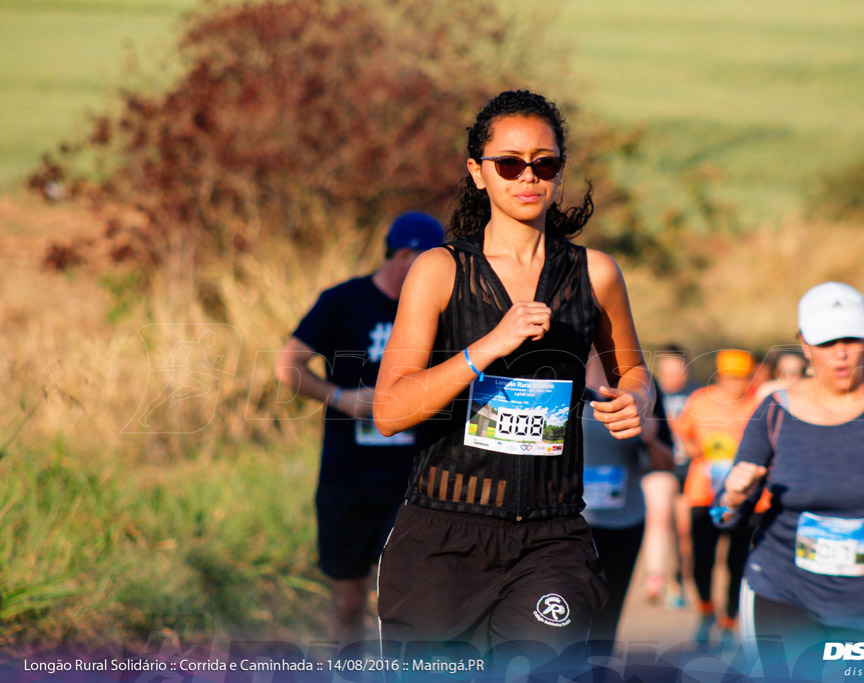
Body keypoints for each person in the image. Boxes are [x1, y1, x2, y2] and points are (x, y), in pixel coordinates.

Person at [372, 90, 654, 660]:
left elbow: (634, 372)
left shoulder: (595, 275)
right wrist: (488, 347)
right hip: (442, 537)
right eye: (509, 163)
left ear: (559, 173)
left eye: (544, 163)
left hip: (551, 538)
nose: (528, 176)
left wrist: (636, 400)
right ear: (478, 173)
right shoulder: (438, 271)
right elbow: (389, 410)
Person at [717, 282, 864, 671]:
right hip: (783, 590)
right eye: (828, 341)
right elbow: (725, 515)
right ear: (804, 343)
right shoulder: (775, 411)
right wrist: (730, 497)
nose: (842, 352)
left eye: (851, 338)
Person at [273, 211, 444, 643]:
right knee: (349, 601)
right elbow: (288, 366)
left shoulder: (437, 307)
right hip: (347, 477)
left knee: (407, 600)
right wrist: (341, 398)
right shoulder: (342, 301)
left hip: (412, 480)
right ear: (406, 256)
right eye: (431, 262)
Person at [582, 351, 674, 653]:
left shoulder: (643, 389)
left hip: (624, 522)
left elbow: (667, 464)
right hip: (571, 523)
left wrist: (650, 438)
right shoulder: (561, 374)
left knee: (608, 614)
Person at [673, 349, 759, 646]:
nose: (737, 383)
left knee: (739, 559)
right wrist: (694, 449)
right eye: (731, 377)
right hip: (704, 494)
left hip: (747, 499)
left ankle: (731, 617)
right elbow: (681, 433)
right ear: (720, 376)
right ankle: (707, 608)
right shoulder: (700, 401)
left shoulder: (757, 405)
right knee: (701, 558)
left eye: (743, 377)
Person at [644, 344, 699, 607]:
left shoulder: (698, 393)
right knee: (659, 518)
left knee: (685, 531)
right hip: (661, 467)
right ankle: (655, 577)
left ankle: (678, 579)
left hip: (690, 469)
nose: (672, 377)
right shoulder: (651, 393)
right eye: (667, 371)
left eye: (677, 371)